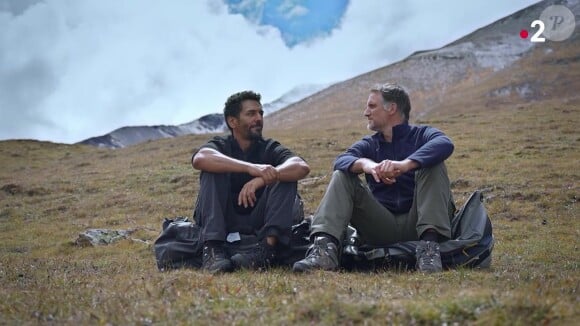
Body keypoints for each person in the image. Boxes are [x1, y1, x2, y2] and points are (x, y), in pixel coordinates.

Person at [292, 83, 455, 273]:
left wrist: (406, 165)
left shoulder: (421, 135)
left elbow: (444, 143)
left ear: (392, 108)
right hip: (380, 225)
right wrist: (368, 166)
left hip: (419, 223)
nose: (366, 113)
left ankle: (429, 251)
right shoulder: (369, 144)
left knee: (433, 164)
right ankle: (323, 253)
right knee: (342, 175)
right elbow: (341, 160)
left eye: (372, 106)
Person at [192, 90, 310, 273]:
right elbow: (201, 158)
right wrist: (250, 168)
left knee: (284, 174)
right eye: (251, 114)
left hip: (258, 219)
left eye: (260, 113)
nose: (258, 118)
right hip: (223, 218)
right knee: (212, 170)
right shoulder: (221, 145)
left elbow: (301, 166)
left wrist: (262, 179)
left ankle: (267, 249)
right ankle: (213, 250)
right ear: (233, 122)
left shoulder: (269, 147)